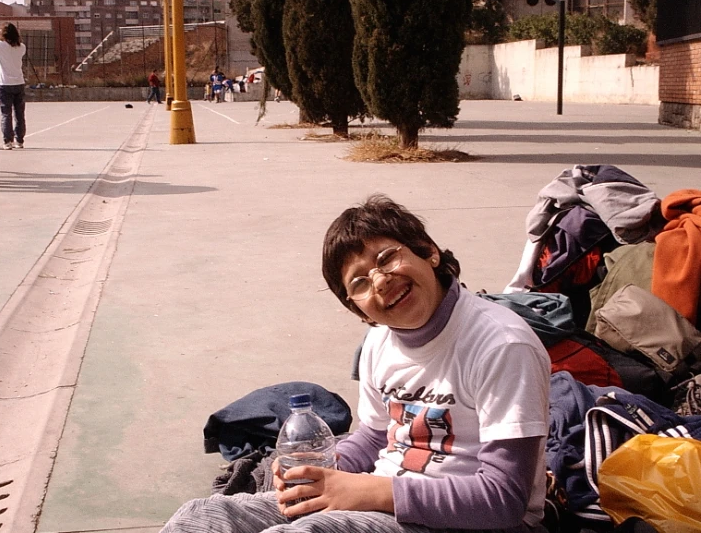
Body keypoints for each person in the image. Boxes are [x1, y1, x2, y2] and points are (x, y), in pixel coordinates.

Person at [160, 194, 552, 533]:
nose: (380, 281)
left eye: (387, 258)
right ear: (357, 309)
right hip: (384, 498)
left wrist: (366, 491)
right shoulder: (379, 342)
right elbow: (375, 434)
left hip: (474, 522)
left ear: (429, 252)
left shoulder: (501, 344)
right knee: (205, 516)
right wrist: (316, 474)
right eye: (360, 283)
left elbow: (505, 498)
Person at [0, 23, 27, 150]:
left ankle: (7, 141)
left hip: (4, 83)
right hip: (19, 82)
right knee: (20, 114)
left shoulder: (0, 46)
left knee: (6, 113)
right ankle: (20, 140)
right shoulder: (22, 47)